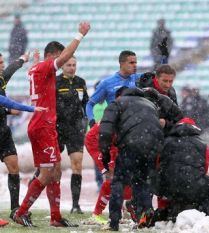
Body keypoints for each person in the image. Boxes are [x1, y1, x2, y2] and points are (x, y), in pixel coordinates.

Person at [13, 22, 90, 227]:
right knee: (47, 173)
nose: (61, 62)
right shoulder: (47, 65)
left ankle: (55, 217)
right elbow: (64, 57)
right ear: (53, 55)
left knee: (55, 170)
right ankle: (21, 212)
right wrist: (80, 35)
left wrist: (37, 60)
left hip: (45, 125)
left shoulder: (37, 69)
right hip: (42, 126)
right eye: (58, 57)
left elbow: (36, 71)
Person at [99, 87, 165, 231]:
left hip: (131, 145)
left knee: (118, 182)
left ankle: (114, 223)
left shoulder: (117, 104)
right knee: (142, 183)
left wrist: (104, 156)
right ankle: (145, 221)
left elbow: (105, 131)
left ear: (119, 96)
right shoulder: (150, 104)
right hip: (153, 146)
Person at [55, 56, 89, 214]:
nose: (72, 68)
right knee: (52, 167)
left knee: (77, 164)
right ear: (62, 66)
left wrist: (85, 121)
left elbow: (86, 103)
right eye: (68, 65)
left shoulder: (81, 82)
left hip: (76, 129)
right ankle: (52, 202)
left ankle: (76, 205)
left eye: (74, 65)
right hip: (58, 128)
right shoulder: (55, 82)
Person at [0, 52, 30, 218]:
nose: (3, 65)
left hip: (3, 132)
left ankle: (14, 209)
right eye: (0, 63)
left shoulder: (2, 79)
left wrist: (22, 59)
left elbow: (10, 70)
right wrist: (9, 110)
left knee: (13, 165)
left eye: (2, 62)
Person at [86, 50, 141, 128]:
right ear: (122, 64)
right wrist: (92, 120)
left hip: (135, 124)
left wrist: (164, 58)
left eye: (136, 63)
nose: (135, 65)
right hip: (117, 126)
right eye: (131, 63)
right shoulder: (106, 83)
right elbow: (89, 104)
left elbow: (160, 77)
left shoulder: (139, 78)